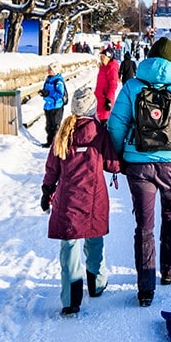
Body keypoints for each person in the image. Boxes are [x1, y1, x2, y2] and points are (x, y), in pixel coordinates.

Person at [108, 38, 171, 307]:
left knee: (144, 225)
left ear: (149, 57)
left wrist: (118, 157)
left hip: (138, 164)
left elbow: (117, 125)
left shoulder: (132, 86)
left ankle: (145, 288)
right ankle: (169, 270)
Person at [41, 87, 120, 316]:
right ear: (92, 108)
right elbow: (113, 165)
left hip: (68, 200)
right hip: (94, 198)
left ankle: (70, 300)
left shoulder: (63, 133)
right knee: (94, 240)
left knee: (69, 248)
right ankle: (96, 284)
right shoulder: (99, 133)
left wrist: (47, 191)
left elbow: (52, 168)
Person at [39, 62, 68, 148]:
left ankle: (56, 143)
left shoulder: (58, 81)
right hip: (48, 106)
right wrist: (43, 93)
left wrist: (48, 93)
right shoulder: (48, 79)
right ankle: (49, 142)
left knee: (56, 126)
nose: (48, 71)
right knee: (48, 125)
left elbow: (60, 95)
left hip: (56, 107)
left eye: (50, 69)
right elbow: (46, 91)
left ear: (55, 70)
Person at [95, 47, 120, 123]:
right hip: (99, 98)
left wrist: (108, 99)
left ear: (108, 57)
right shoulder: (103, 67)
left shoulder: (111, 67)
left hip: (105, 99)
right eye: (100, 57)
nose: (101, 59)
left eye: (103, 57)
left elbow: (113, 84)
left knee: (104, 120)